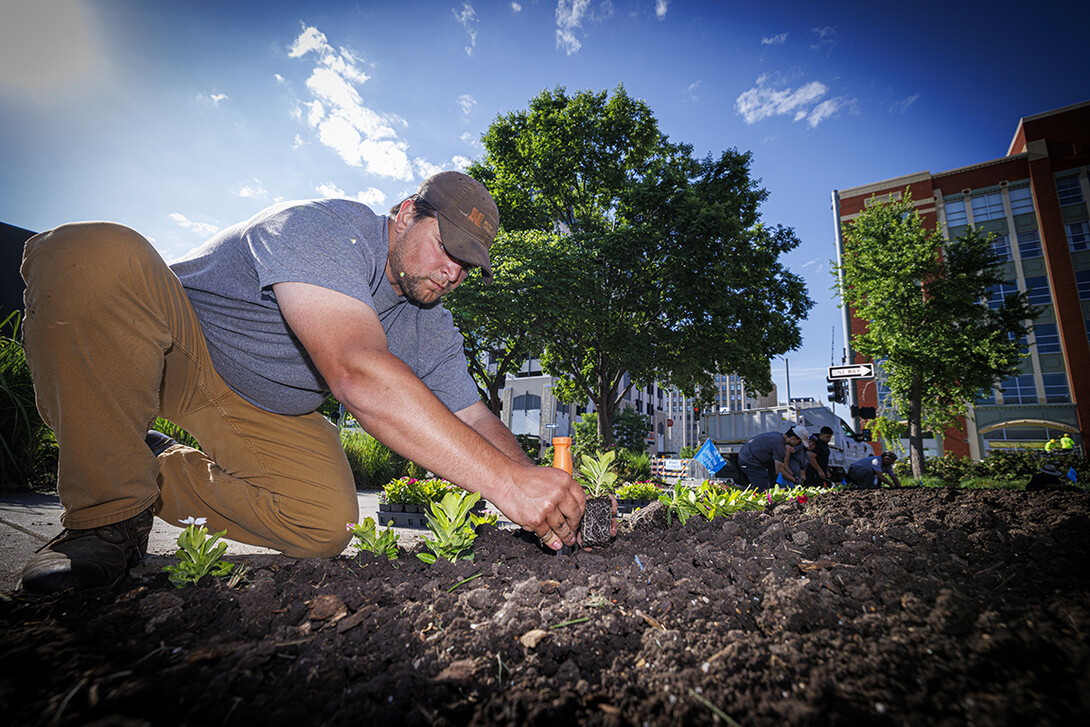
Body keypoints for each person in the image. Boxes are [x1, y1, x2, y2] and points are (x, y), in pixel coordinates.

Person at [18, 171, 588, 594]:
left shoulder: (429, 323)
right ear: (407, 212)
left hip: (261, 406)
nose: (452, 273)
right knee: (89, 254)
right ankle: (104, 519)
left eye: (468, 266)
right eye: (447, 250)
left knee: (322, 523)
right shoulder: (324, 228)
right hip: (172, 349)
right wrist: (506, 488)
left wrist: (532, 482)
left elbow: (473, 417)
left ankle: (144, 466)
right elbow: (354, 370)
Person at [737, 426, 810, 490]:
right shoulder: (780, 446)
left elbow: (778, 468)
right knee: (761, 490)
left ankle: (773, 491)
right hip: (748, 461)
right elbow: (780, 471)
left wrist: (793, 475)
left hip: (749, 457)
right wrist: (795, 481)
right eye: (799, 443)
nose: (798, 445)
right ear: (793, 438)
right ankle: (734, 489)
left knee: (772, 472)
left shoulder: (778, 436)